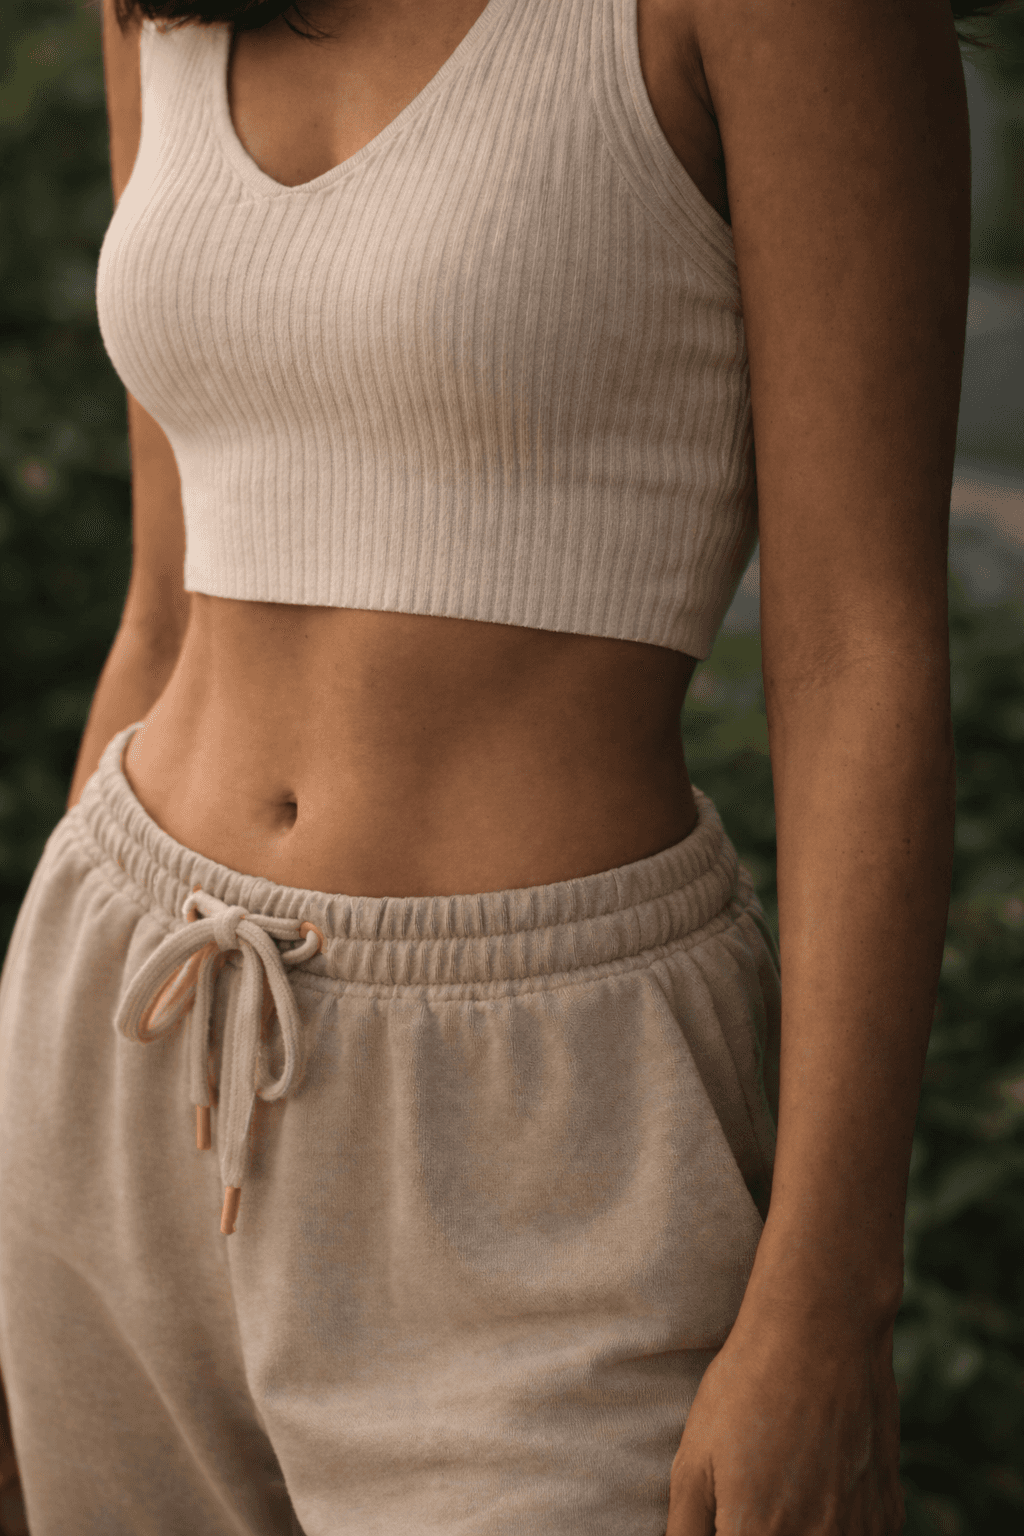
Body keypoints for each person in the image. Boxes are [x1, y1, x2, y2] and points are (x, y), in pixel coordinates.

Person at [0, 0, 1000, 1530]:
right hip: (122, 1027)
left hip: (544, 1125)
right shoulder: (164, 3)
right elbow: (161, 602)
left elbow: (860, 653)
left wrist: (825, 1300)